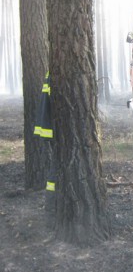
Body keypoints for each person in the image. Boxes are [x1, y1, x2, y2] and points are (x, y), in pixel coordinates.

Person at [34, 71, 56, 229]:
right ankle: (51, 206)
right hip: (54, 131)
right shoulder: (57, 72)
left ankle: (52, 205)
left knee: (55, 169)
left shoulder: (51, 71)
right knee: (56, 170)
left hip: (50, 129)